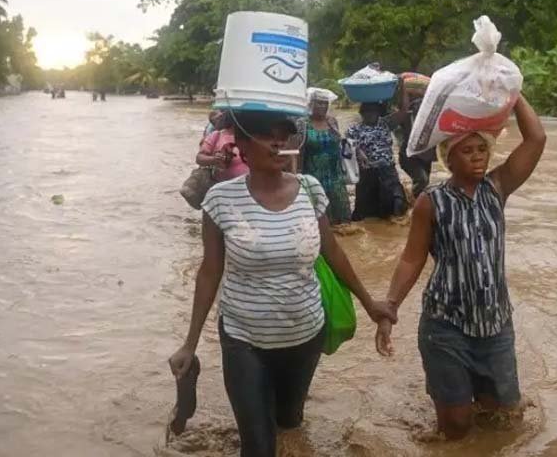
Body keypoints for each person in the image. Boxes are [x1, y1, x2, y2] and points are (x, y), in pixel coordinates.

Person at [168, 110, 396, 457]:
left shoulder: (309, 189)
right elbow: (209, 272)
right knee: (259, 447)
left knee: (289, 423)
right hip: (245, 340)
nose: (278, 142)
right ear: (241, 145)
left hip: (304, 337)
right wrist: (190, 344)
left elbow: (333, 252)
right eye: (266, 135)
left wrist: (370, 305)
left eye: (283, 136)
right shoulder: (220, 200)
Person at [375, 95, 546, 440]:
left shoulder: (497, 188)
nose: (477, 157)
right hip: (446, 326)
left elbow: (536, 139)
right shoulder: (431, 202)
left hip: (495, 326)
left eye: (482, 149)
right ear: (448, 158)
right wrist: (389, 308)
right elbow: (412, 257)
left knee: (503, 421)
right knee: (455, 428)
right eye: (467, 151)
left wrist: (513, 94)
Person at [293, 92, 352, 225]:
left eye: (325, 103)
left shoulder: (332, 122)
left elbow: (340, 143)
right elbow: (298, 152)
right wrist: (297, 176)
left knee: (343, 219)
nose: (323, 106)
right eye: (319, 102)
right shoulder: (302, 124)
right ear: (311, 104)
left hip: (335, 175)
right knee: (319, 218)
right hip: (314, 176)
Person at [346, 102, 407, 221]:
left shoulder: (385, 124)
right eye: (367, 112)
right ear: (361, 114)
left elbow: (403, 111)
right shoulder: (354, 130)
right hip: (367, 174)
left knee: (396, 206)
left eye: (374, 112)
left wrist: (403, 86)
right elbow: (348, 148)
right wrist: (358, 151)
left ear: (378, 113)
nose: (370, 115)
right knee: (365, 214)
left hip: (387, 171)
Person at [389, 89, 436, 199]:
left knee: (424, 183)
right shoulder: (405, 115)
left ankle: (414, 205)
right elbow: (403, 113)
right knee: (422, 181)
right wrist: (406, 95)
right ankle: (413, 205)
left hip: (425, 156)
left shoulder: (430, 114)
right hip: (409, 156)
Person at [196, 112, 248, 182]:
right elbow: (199, 158)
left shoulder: (251, 137)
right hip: (221, 186)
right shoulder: (216, 135)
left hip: (248, 186)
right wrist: (214, 159)